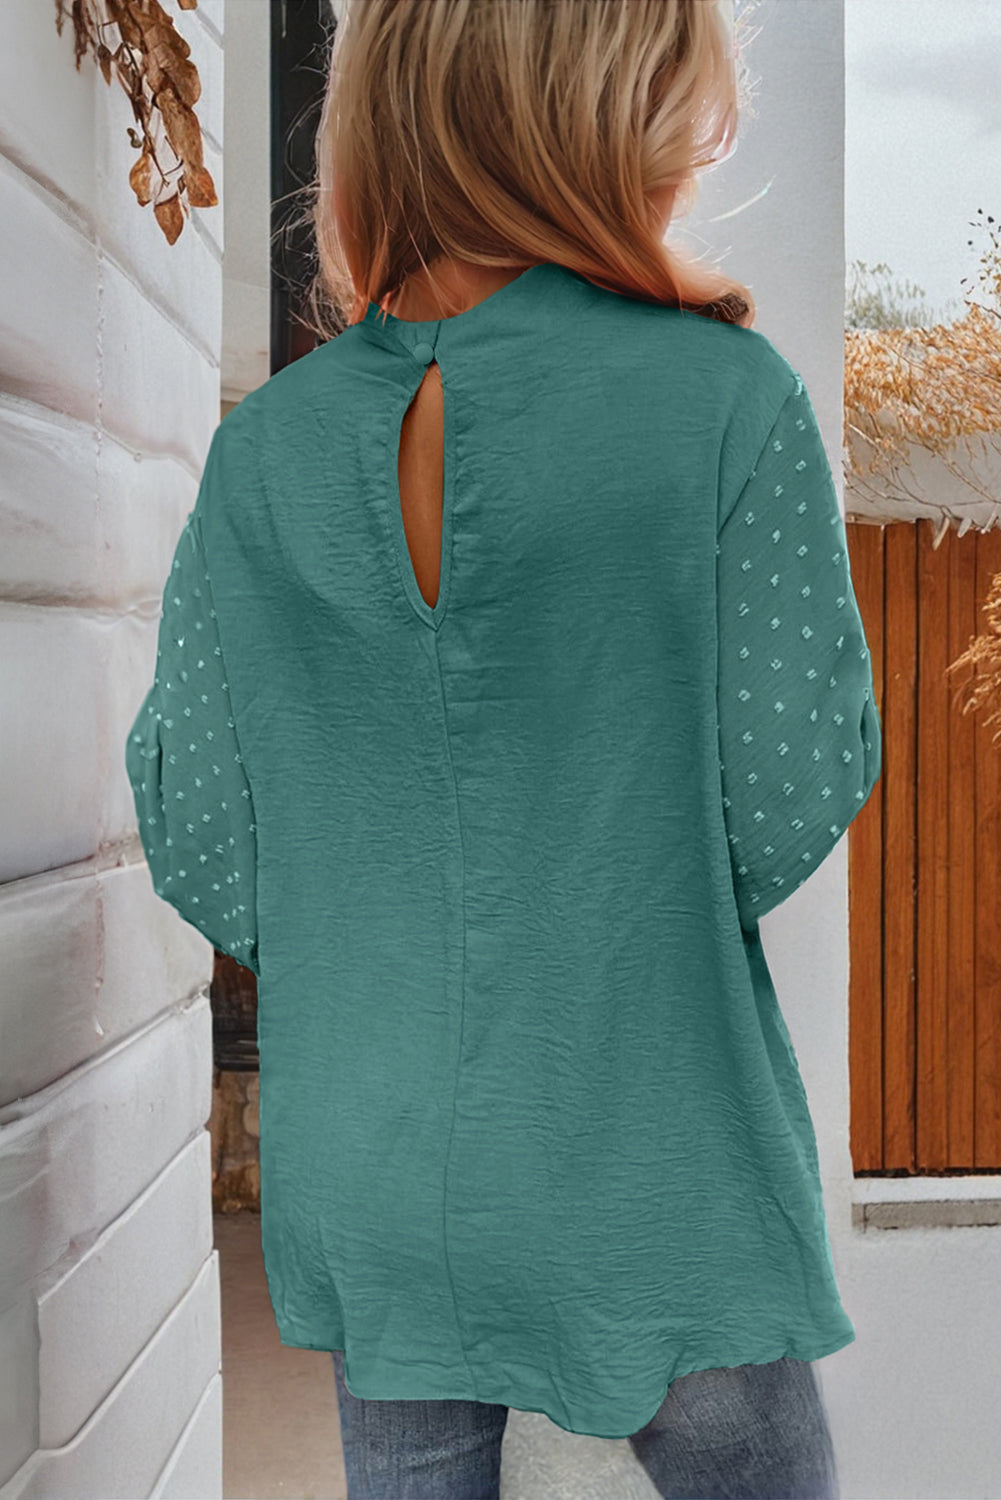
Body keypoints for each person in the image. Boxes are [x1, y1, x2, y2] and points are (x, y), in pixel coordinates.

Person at [125, 0, 881, 1496]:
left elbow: (199, 822)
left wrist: (369, 933)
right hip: (650, 1153)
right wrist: (618, 864)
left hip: (372, 1166)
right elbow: (796, 779)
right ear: (607, 116)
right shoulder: (727, 402)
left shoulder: (261, 452)